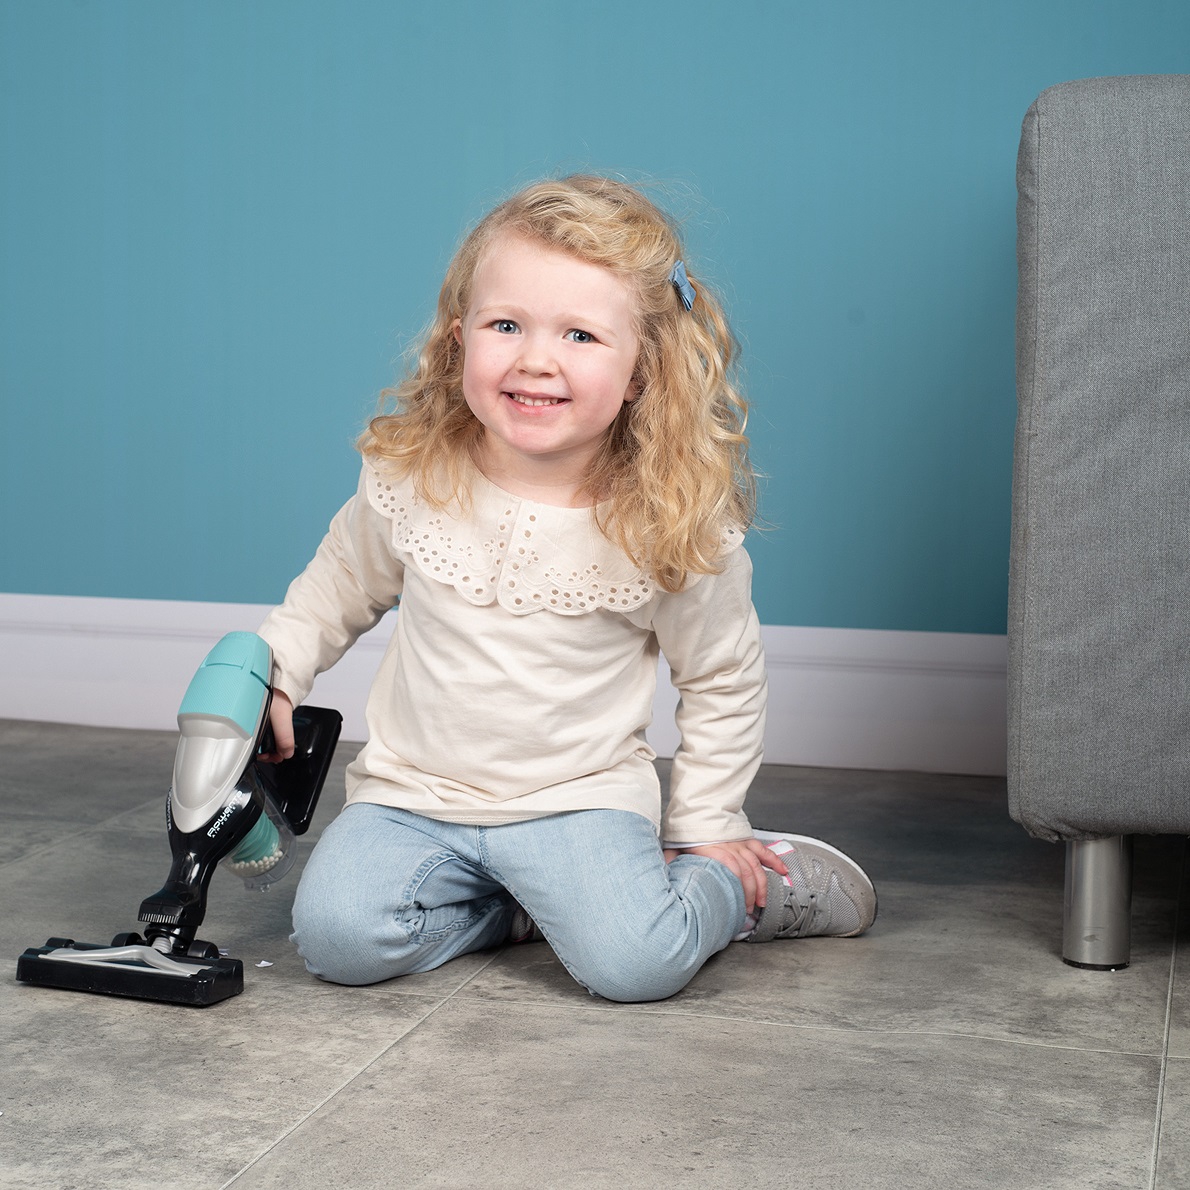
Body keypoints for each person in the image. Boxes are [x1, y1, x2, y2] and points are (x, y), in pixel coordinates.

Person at [257, 175, 876, 1003]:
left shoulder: (666, 519)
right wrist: (278, 670)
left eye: (580, 334)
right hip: (414, 796)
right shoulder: (414, 476)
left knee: (635, 966)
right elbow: (338, 584)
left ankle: (743, 895)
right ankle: (524, 912)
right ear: (458, 341)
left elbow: (722, 677)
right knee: (337, 940)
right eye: (506, 325)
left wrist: (706, 826)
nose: (536, 359)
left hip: (578, 802)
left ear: (640, 373)